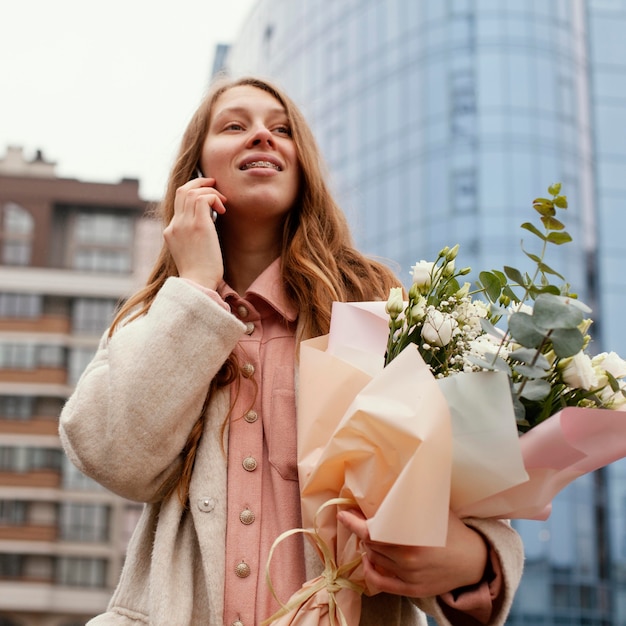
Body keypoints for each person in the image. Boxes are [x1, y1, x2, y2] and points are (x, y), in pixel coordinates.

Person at [59, 76, 524, 626]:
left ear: (302, 166)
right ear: (196, 171)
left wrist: (474, 562)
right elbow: (118, 460)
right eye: (235, 126)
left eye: (281, 129)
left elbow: (459, 486)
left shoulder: (372, 310)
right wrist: (198, 288)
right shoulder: (154, 316)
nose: (262, 136)